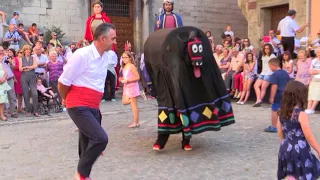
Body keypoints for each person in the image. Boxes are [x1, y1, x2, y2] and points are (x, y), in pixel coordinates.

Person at [144, 26, 235, 151]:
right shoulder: (173, 61)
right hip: (169, 85)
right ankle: (162, 139)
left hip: (188, 85)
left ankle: (186, 139)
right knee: (168, 110)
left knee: (187, 110)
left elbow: (208, 70)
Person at [58, 23, 116, 180]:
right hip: (78, 104)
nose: (115, 41)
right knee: (100, 138)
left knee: (86, 145)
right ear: (102, 38)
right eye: (113, 38)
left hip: (94, 106)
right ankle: (81, 175)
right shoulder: (82, 55)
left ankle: (84, 175)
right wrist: (65, 98)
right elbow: (63, 81)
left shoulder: (107, 56)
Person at [277, 80, 320, 180]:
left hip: (285, 147)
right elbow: (308, 135)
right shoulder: (301, 114)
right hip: (300, 150)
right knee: (305, 173)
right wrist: (318, 150)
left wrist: (284, 144)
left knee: (291, 174)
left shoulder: (281, 112)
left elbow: (280, 131)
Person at [264, 58, 290, 133]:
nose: (270, 68)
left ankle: (274, 126)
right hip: (285, 94)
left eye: (270, 66)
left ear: (273, 65)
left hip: (278, 94)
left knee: (274, 110)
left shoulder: (274, 74)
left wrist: (272, 97)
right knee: (284, 110)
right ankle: (284, 126)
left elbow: (274, 86)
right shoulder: (285, 73)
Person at [119, 51, 140, 128]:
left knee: (134, 106)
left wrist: (127, 80)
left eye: (125, 57)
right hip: (126, 87)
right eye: (123, 57)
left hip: (132, 87)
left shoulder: (131, 66)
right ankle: (132, 102)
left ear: (130, 58)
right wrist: (122, 79)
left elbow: (137, 77)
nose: (123, 59)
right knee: (124, 102)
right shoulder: (124, 66)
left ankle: (135, 122)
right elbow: (126, 76)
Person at [305, 47, 320, 115]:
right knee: (310, 94)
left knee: (317, 94)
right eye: (317, 52)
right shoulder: (314, 60)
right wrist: (318, 71)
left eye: (319, 52)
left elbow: (313, 71)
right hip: (313, 79)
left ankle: (312, 109)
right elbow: (310, 71)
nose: (318, 54)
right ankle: (308, 108)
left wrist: (316, 71)